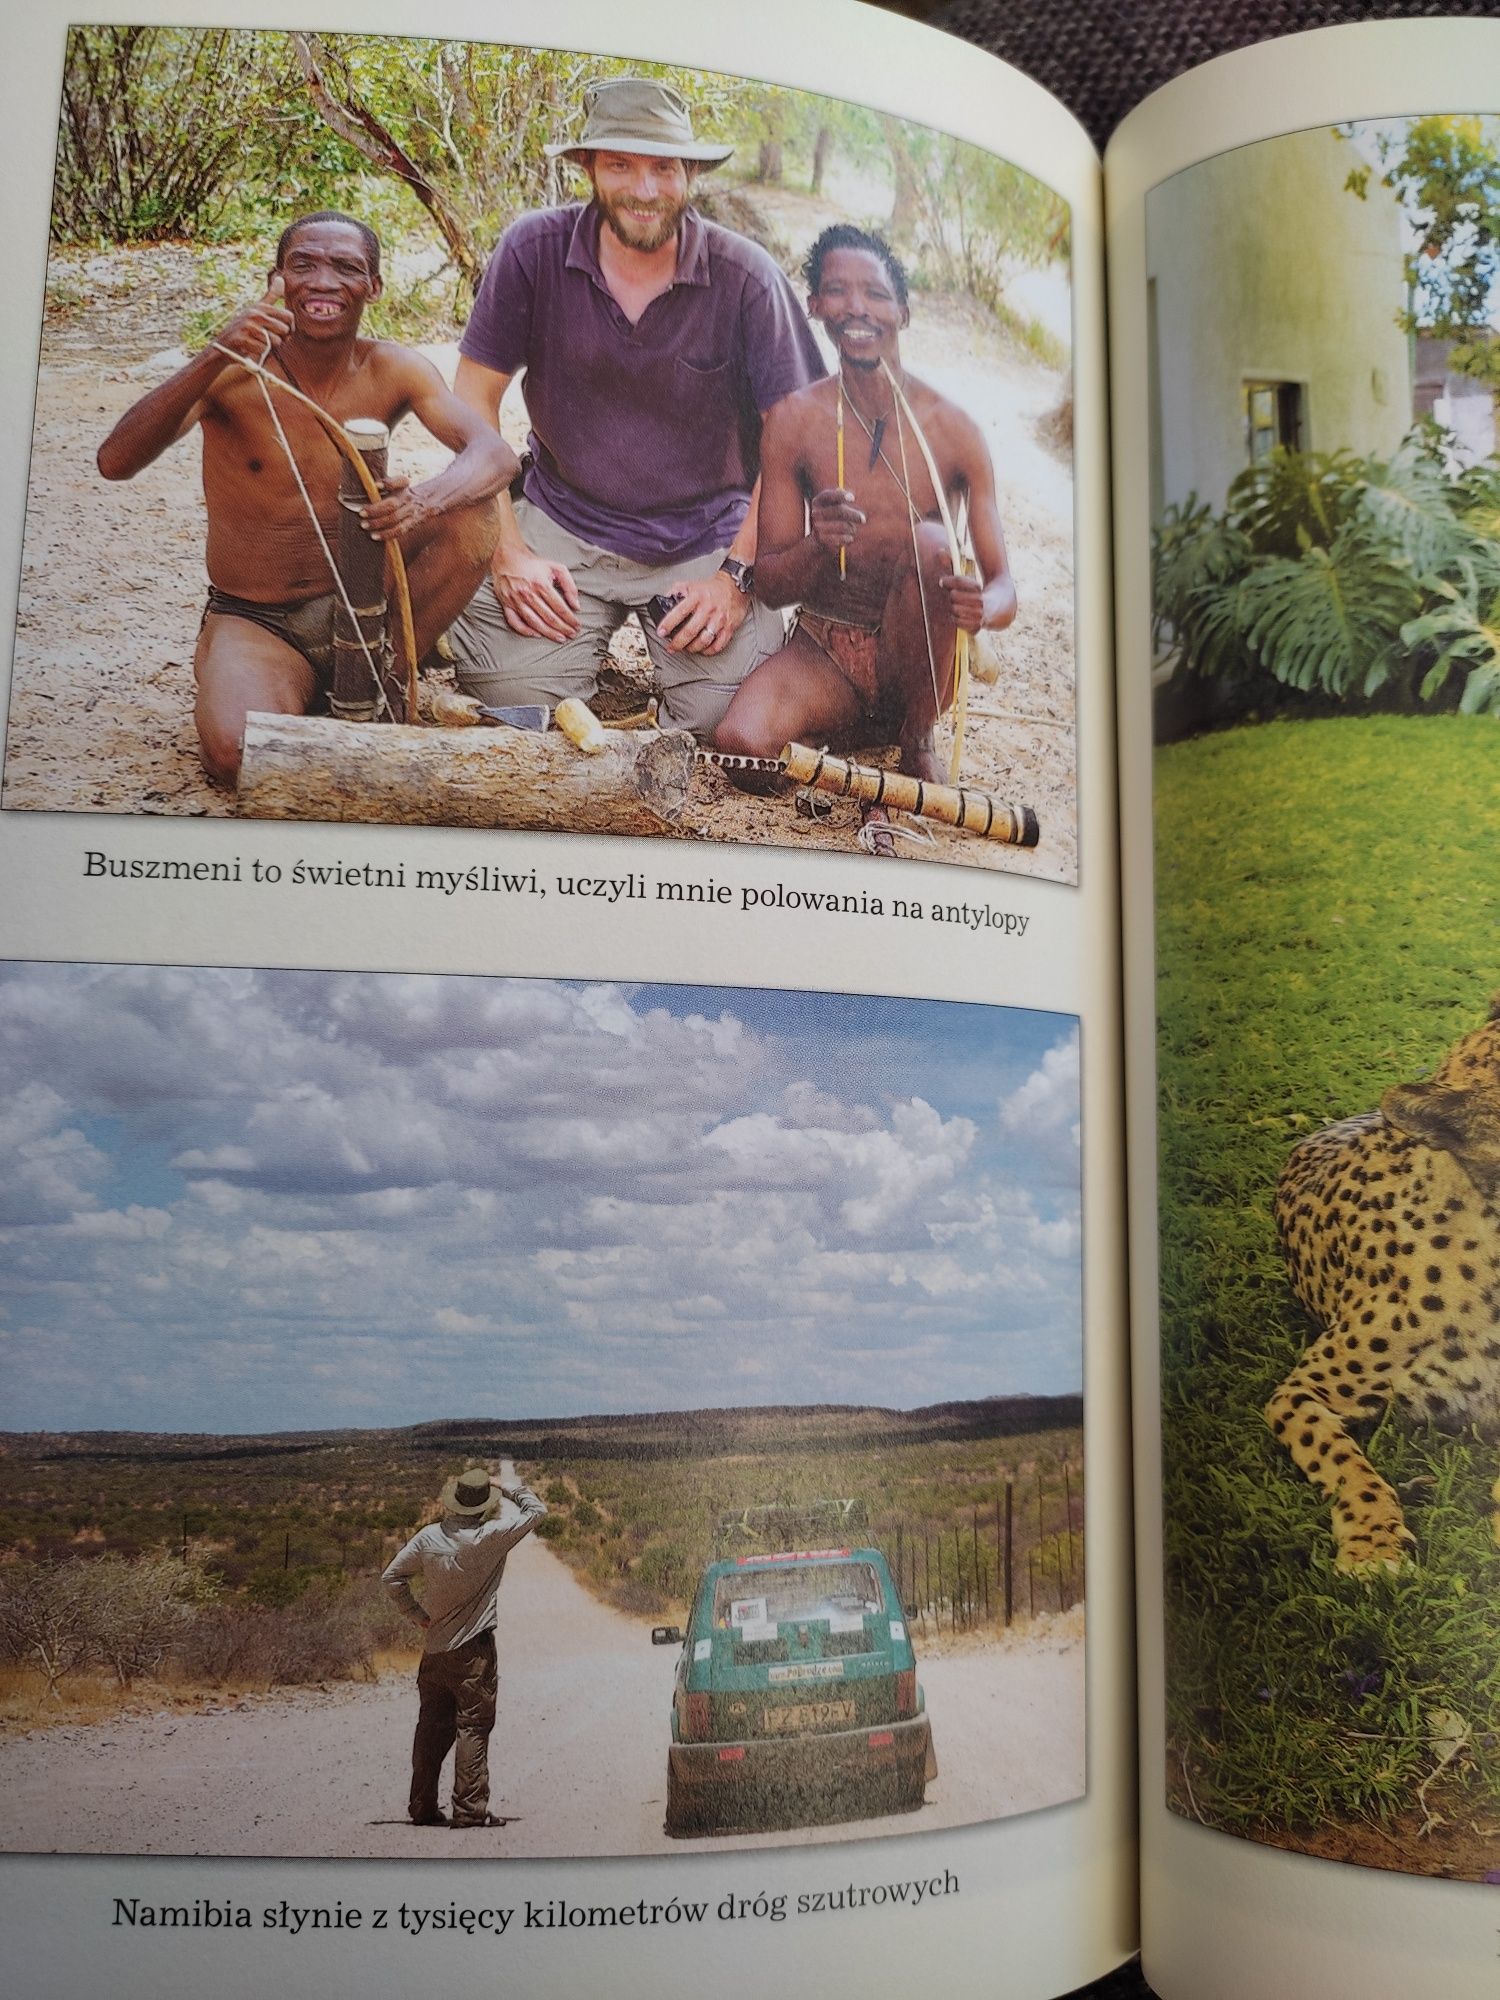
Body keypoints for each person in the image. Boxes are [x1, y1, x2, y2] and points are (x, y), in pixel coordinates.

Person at [446, 77, 826, 738]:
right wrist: (506, 550)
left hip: (703, 537)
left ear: (692, 175)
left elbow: (792, 440)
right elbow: (472, 399)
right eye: (620, 164)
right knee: (510, 701)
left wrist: (737, 580)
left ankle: (690, 651)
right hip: (564, 519)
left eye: (664, 168)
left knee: (728, 724)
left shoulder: (747, 278)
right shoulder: (532, 251)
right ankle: (563, 651)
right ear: (588, 167)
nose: (644, 189)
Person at [97, 211, 516, 785]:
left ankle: (383, 673)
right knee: (239, 758)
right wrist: (215, 353)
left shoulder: (392, 367)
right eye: (304, 265)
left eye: (346, 268)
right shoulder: (230, 371)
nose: (323, 282)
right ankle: (305, 693)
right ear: (277, 280)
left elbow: (495, 455)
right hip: (259, 618)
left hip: (365, 597)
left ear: (373, 287)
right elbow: (114, 462)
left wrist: (425, 499)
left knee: (473, 506)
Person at [714, 225, 1018, 786]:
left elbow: (1004, 589)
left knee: (931, 542)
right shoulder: (792, 423)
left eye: (876, 294)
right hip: (827, 645)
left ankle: (916, 732)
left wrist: (983, 608)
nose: (858, 308)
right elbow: (774, 583)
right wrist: (818, 544)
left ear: (903, 311)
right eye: (837, 291)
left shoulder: (955, 432)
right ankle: (853, 725)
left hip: (920, 657)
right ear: (814, 307)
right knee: (741, 748)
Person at [382, 1462, 546, 1830]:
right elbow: (537, 1511)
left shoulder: (427, 1538)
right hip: (474, 1651)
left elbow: (391, 1577)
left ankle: (422, 1808)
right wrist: (503, 1484)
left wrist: (417, 1614)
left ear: (452, 1502)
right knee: (472, 1726)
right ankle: (470, 1810)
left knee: (430, 1728)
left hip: (435, 1649)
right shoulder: (491, 1536)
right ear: (483, 1505)